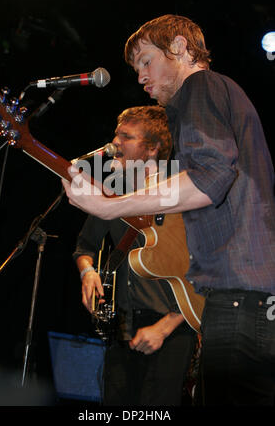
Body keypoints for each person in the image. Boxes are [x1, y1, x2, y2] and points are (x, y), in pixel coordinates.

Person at [63, 14, 275, 406]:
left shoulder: (200, 86)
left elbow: (209, 178)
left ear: (179, 47)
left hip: (238, 296)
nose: (141, 76)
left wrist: (113, 207)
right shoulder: (222, 95)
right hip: (250, 296)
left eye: (146, 60)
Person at [73, 105, 197, 406]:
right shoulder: (115, 189)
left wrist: (164, 328)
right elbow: (85, 246)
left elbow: (208, 271)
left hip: (172, 330)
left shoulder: (182, 190)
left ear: (153, 148)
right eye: (116, 135)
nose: (115, 144)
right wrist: (87, 272)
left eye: (126, 137)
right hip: (122, 326)